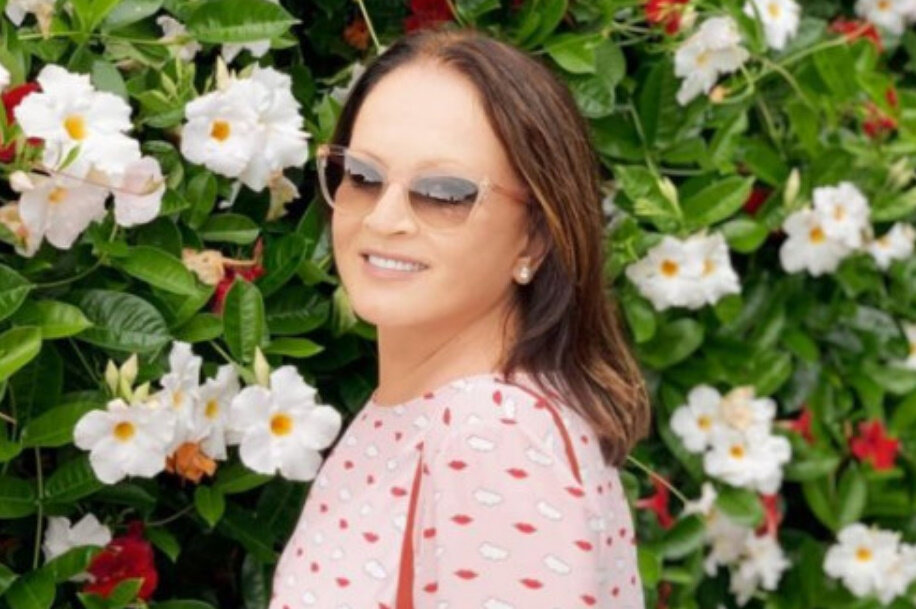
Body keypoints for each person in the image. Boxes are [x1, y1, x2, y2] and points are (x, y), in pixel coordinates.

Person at [268, 27, 651, 609]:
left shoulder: (492, 436)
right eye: (363, 177)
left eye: (445, 194)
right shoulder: (441, 414)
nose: (383, 219)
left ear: (536, 235)